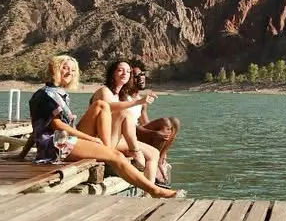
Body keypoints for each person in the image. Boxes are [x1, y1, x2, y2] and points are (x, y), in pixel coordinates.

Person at [26, 54, 181, 199]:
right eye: (65, 68)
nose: (70, 73)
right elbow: (57, 126)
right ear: (55, 69)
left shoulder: (57, 93)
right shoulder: (47, 95)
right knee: (117, 156)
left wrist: (22, 154)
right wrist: (91, 139)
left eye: (73, 70)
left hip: (63, 140)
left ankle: (148, 186)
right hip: (57, 146)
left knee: (101, 105)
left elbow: (37, 129)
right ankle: (154, 190)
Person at [79, 60, 162, 186]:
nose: (125, 73)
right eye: (120, 70)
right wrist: (137, 102)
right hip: (97, 138)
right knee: (125, 113)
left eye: (128, 71)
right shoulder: (104, 91)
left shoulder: (121, 95)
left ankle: (148, 193)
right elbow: (110, 107)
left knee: (154, 153)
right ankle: (135, 151)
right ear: (113, 73)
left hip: (114, 138)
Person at [126, 60, 179, 184]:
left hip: (138, 133)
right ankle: (153, 164)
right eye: (137, 75)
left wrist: (158, 134)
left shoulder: (141, 101)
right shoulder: (124, 99)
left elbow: (145, 123)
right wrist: (154, 134)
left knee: (174, 122)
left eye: (143, 74)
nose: (141, 77)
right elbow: (128, 125)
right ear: (129, 79)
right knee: (165, 122)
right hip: (128, 136)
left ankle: (160, 159)